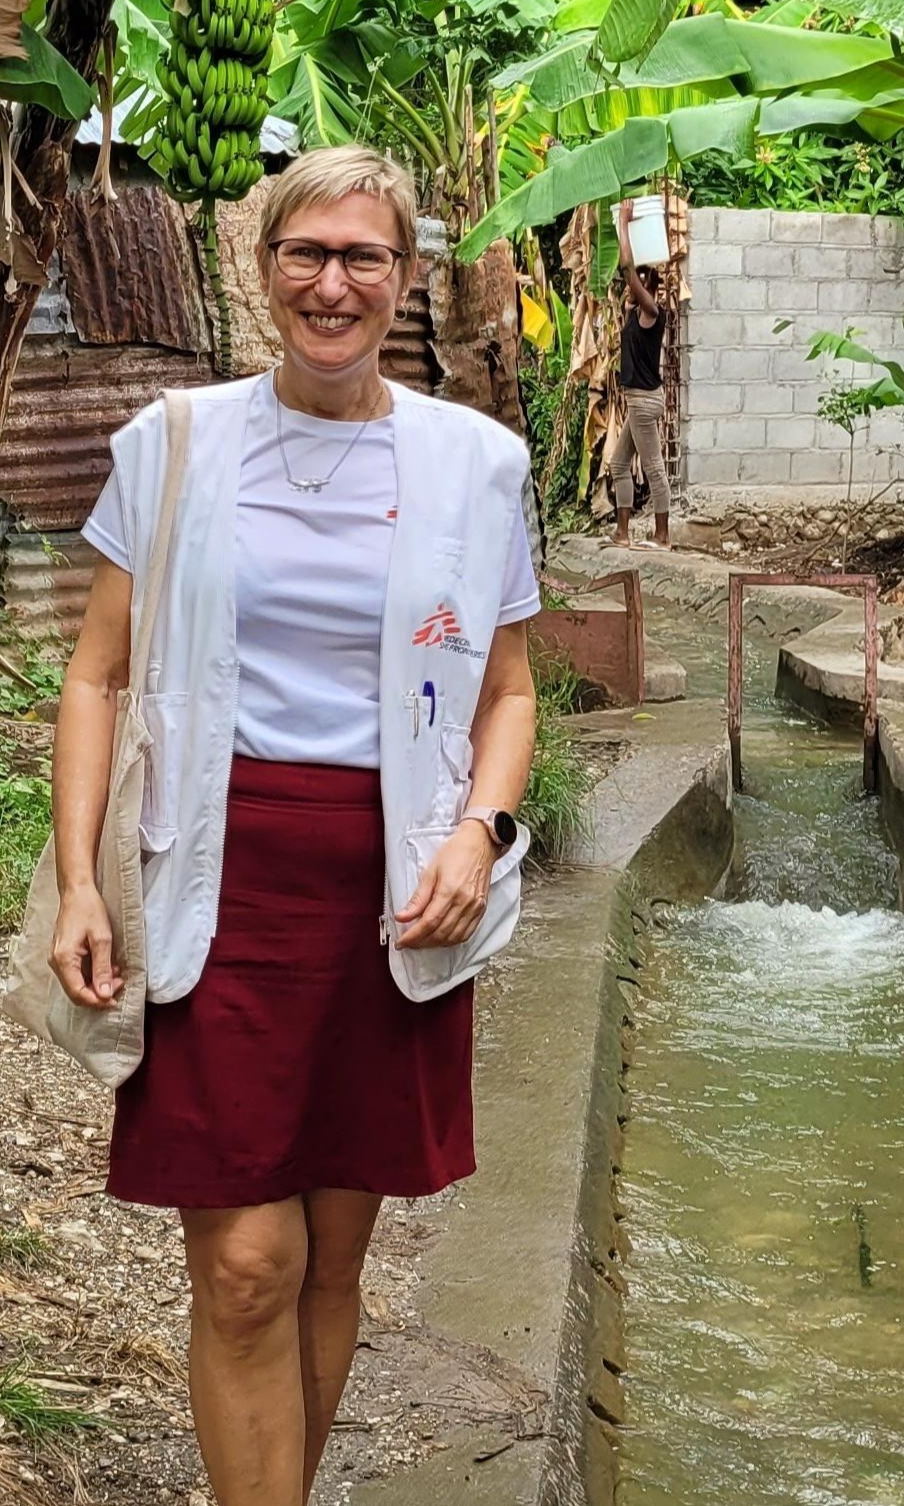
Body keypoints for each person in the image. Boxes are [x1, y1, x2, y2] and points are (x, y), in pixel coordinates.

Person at [49, 145, 541, 1506]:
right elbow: (94, 674)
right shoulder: (175, 443)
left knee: (333, 1255)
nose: (334, 284)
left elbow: (507, 694)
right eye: (304, 254)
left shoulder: (475, 465)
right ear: (260, 268)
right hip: (221, 876)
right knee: (247, 1263)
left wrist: (480, 834)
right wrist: (84, 882)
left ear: (405, 275)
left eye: (363, 256)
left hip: (394, 892)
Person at [606, 258, 672, 548]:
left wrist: (623, 224)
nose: (627, 288)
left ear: (645, 286)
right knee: (619, 464)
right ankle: (622, 533)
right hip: (637, 401)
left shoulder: (653, 313)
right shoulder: (634, 314)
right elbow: (628, 276)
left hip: (644, 402)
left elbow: (626, 268)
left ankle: (663, 536)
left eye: (635, 284)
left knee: (654, 468)